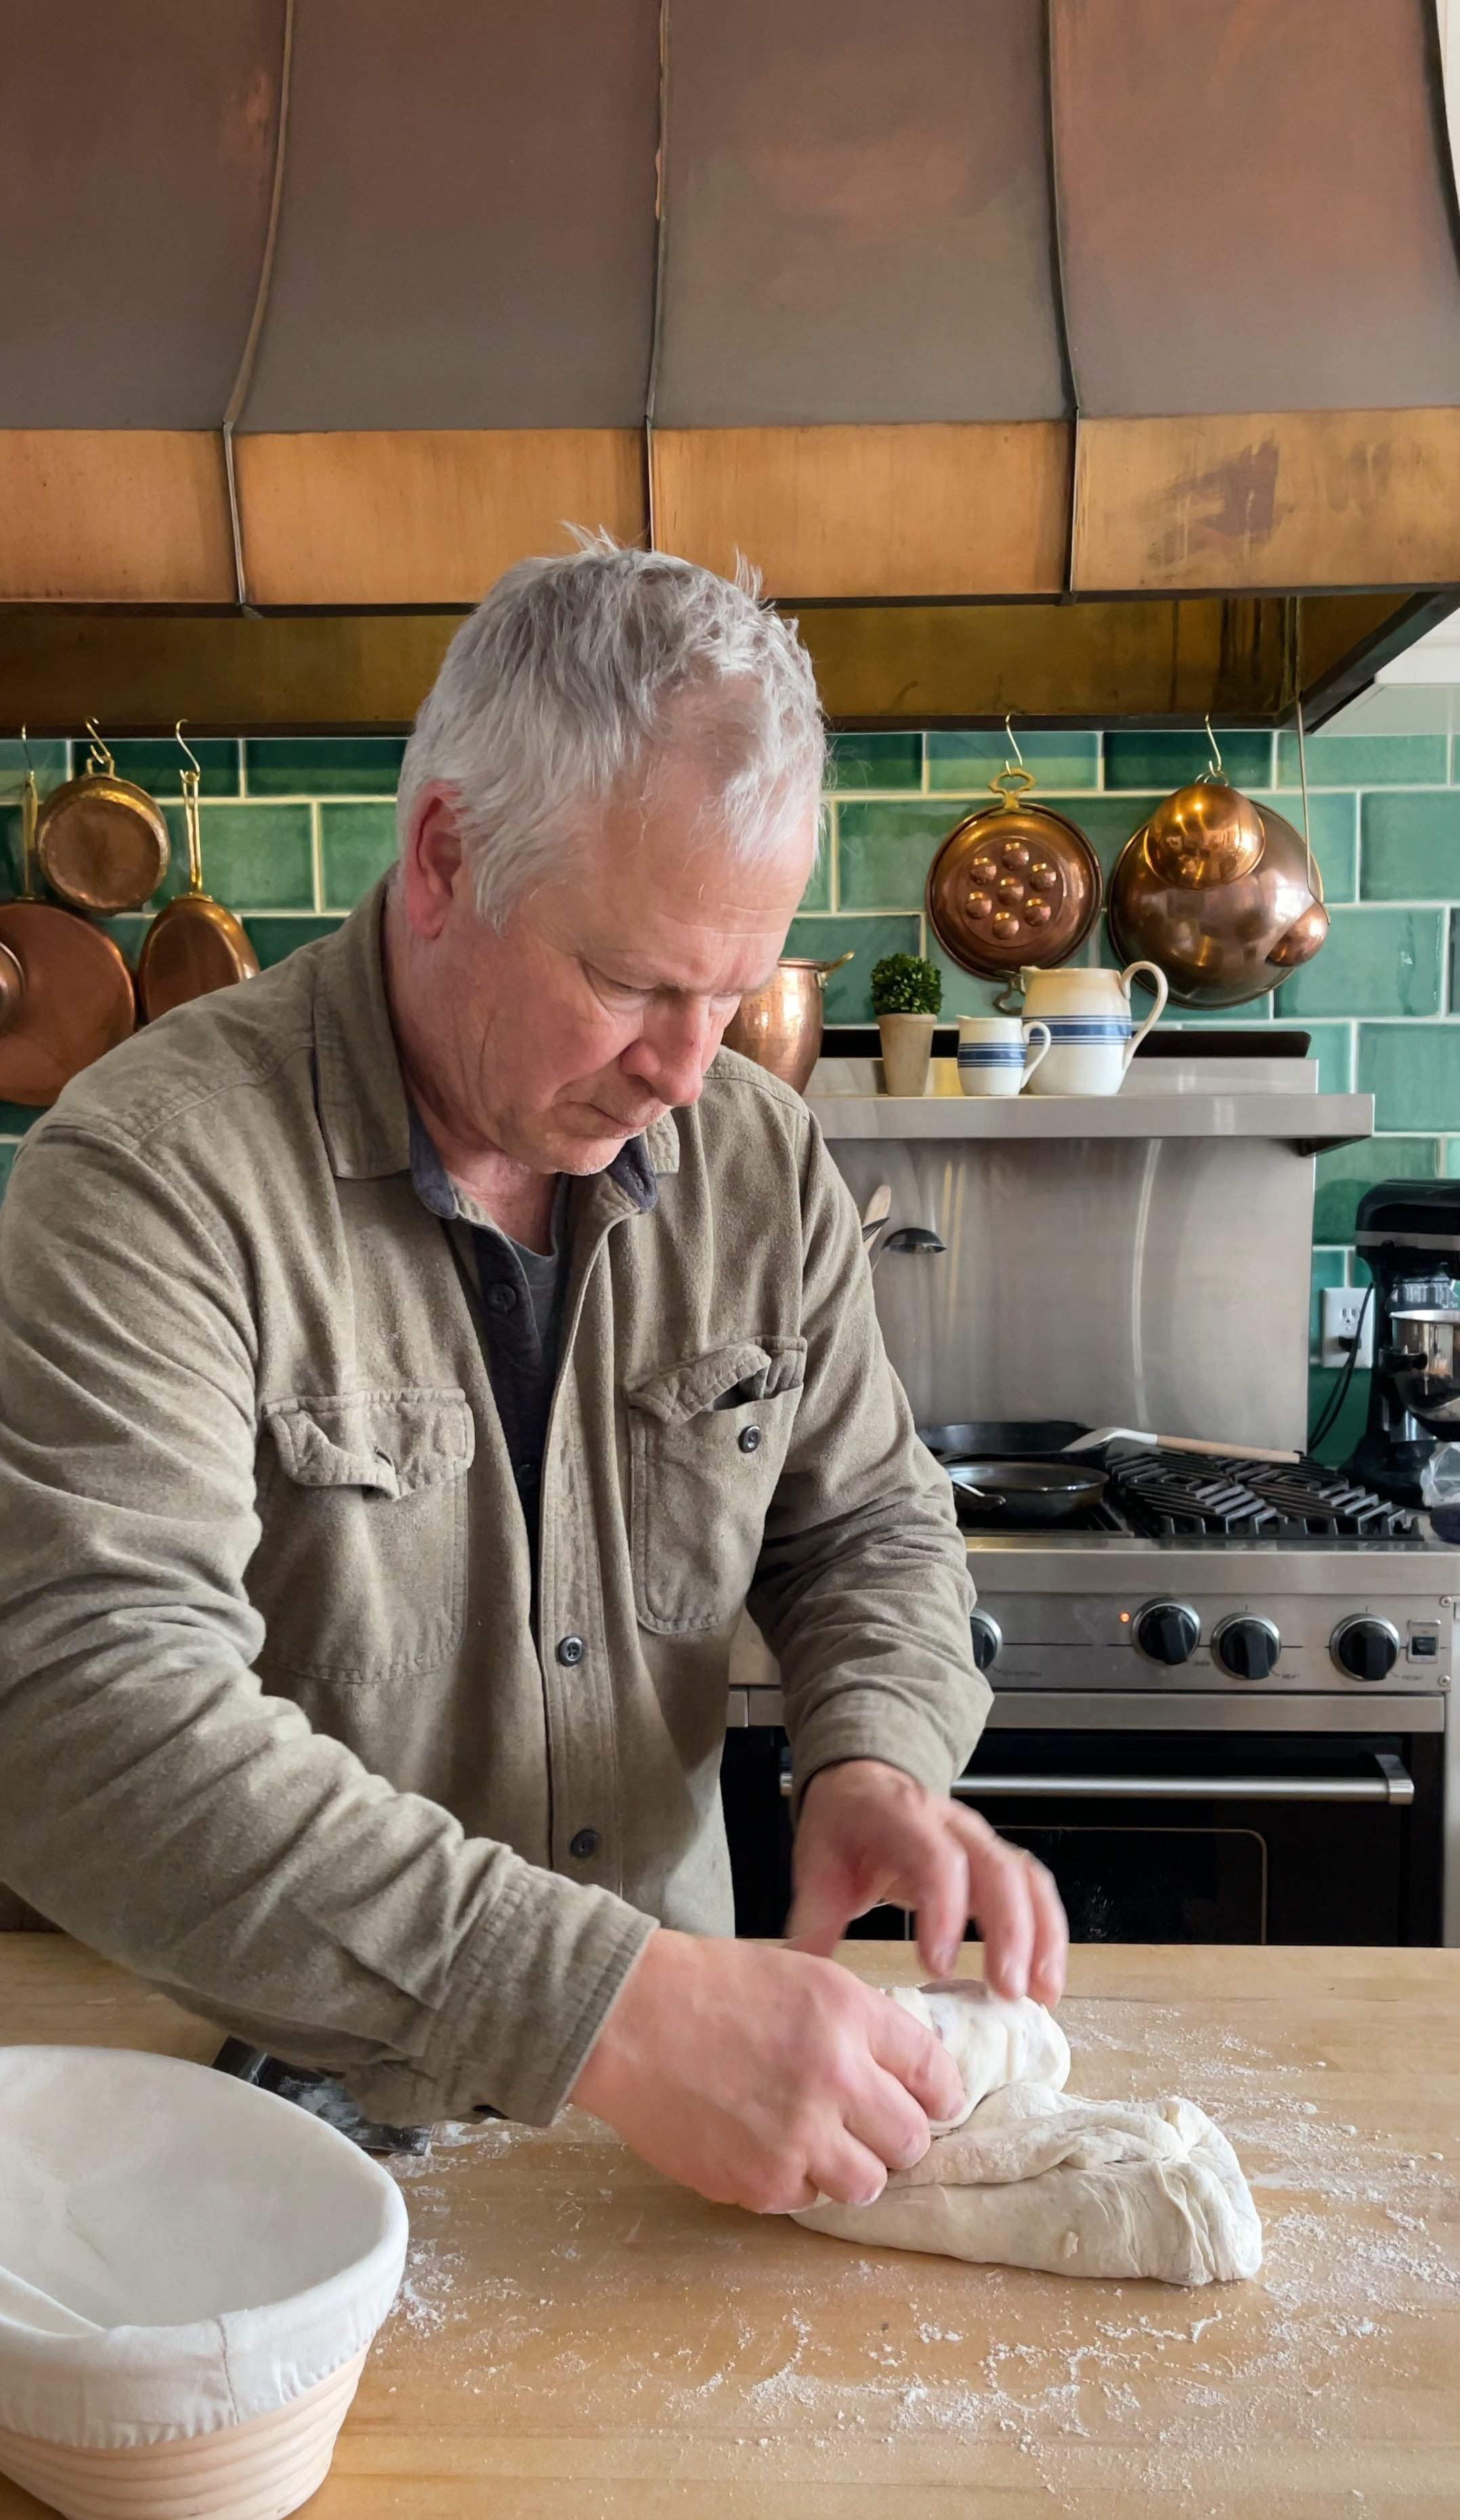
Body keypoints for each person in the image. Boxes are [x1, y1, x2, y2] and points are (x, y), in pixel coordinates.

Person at [0, 542, 1065, 2215]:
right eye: (635, 981)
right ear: (445, 858)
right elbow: (80, 1715)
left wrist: (874, 1757)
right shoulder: (149, 1172)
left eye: (735, 991)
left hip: (693, 2125)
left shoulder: (758, 1159)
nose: (689, 1065)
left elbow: (864, 1524)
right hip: (236, 2135)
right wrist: (607, 2007)